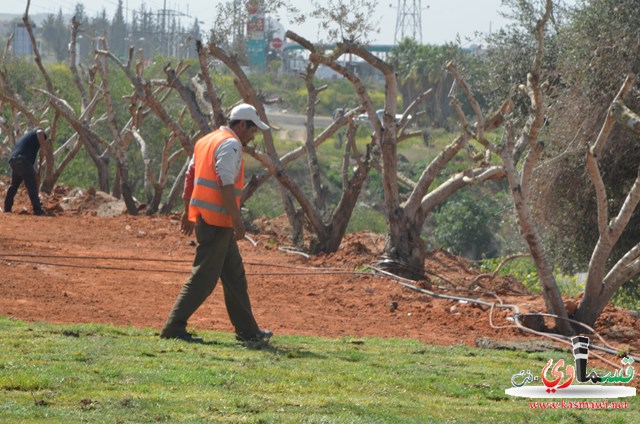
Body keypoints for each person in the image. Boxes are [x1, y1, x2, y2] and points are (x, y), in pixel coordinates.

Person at [161, 103, 272, 345]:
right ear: (242, 124)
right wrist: (236, 220)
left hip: (205, 217)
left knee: (235, 276)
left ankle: (248, 331)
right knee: (203, 277)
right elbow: (224, 181)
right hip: (218, 221)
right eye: (252, 131)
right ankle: (173, 326)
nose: (252, 137)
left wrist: (187, 210)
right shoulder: (231, 145)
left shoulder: (206, 140)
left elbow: (190, 176)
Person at [3, 128, 48, 216]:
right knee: (32, 186)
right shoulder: (38, 133)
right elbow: (39, 132)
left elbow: (39, 158)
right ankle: (38, 211)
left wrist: (38, 171)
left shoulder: (28, 141)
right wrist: (44, 148)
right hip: (23, 160)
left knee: (14, 185)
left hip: (14, 161)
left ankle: (7, 208)